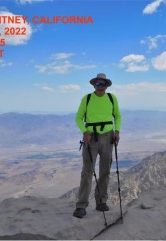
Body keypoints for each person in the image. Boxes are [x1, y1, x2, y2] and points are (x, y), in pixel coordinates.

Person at [73, 73, 122, 218]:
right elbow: (78, 117)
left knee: (105, 171)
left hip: (108, 137)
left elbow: (117, 116)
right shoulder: (87, 99)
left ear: (107, 85)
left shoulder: (112, 98)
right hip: (91, 138)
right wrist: (84, 131)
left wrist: (117, 131)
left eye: (103, 84)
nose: (101, 87)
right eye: (98, 84)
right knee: (87, 172)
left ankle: (101, 202)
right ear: (94, 85)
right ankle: (81, 206)